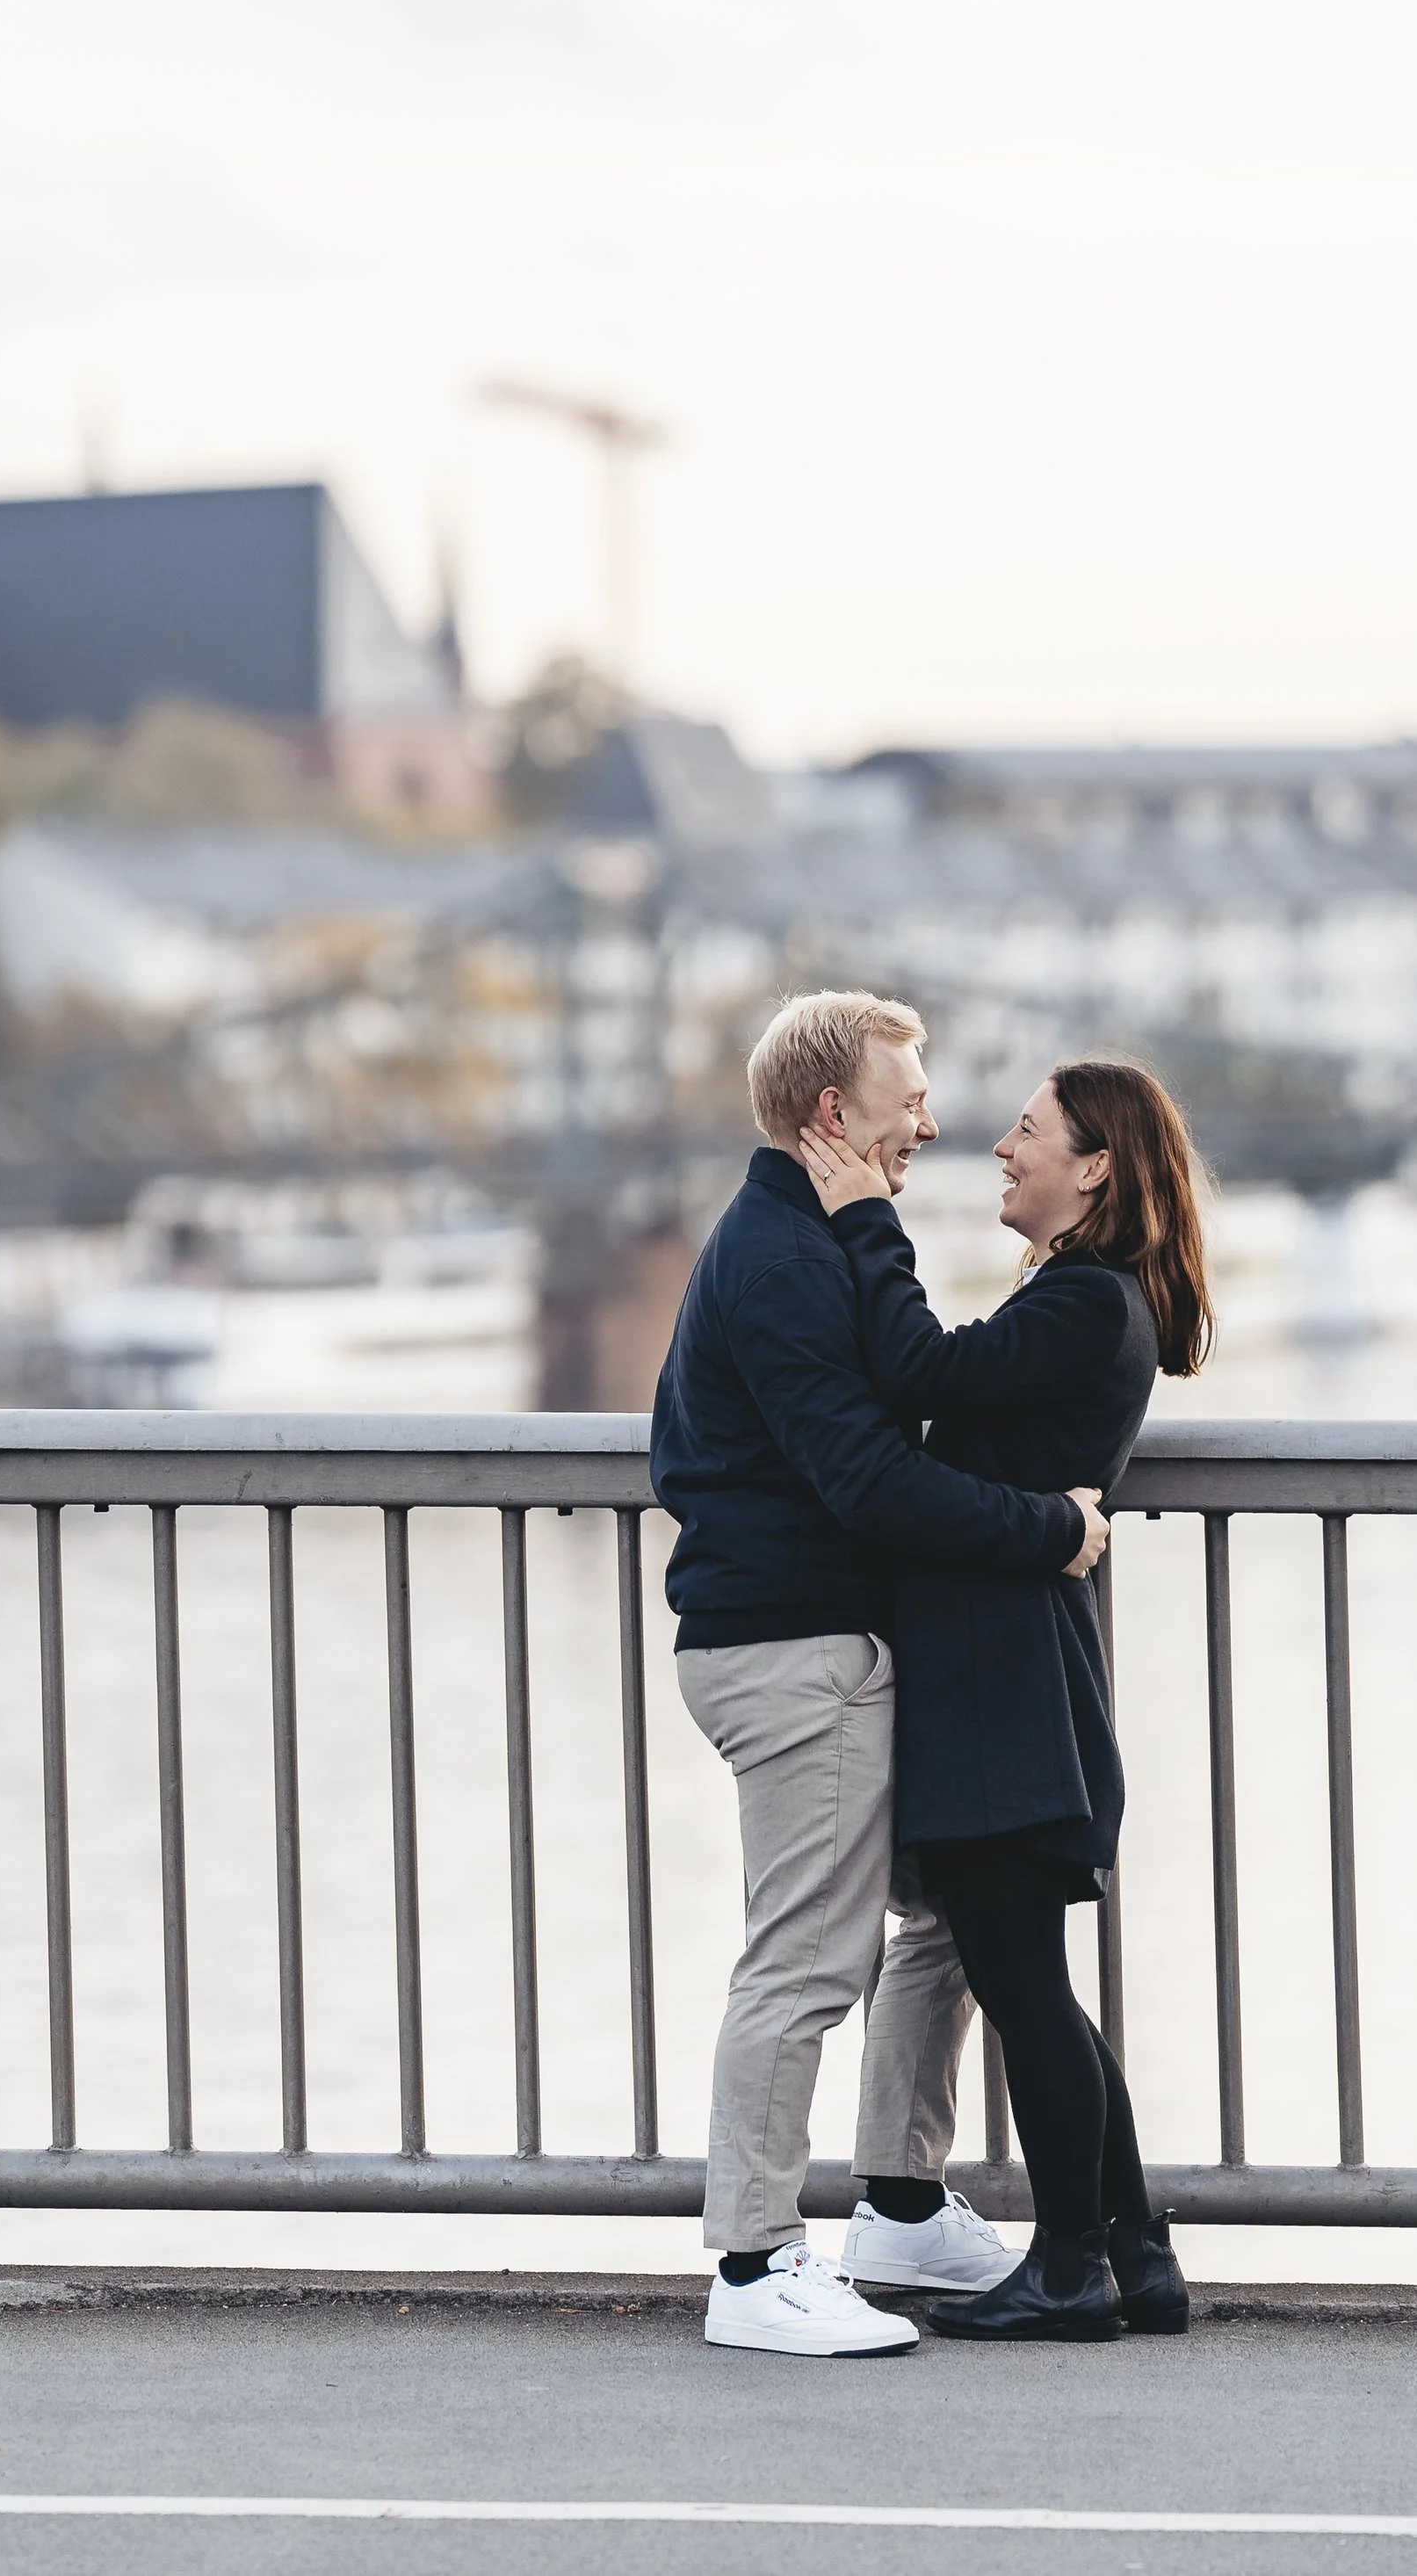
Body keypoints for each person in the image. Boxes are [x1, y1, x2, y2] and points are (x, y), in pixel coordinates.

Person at [654, 992, 1110, 2358]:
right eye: (906, 1095)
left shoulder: (810, 1240)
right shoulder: (784, 1260)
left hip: (827, 1640)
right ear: (830, 1115)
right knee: (805, 1957)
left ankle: (903, 2203)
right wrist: (1054, 1527)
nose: (932, 1119)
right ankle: (753, 2263)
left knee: (942, 1919)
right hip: (791, 1649)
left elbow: (907, 1394)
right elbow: (865, 1471)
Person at [798, 1055, 1212, 2343]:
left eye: (1028, 1131)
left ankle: (1070, 2267)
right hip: (1019, 1666)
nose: (1000, 1146)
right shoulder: (1085, 1296)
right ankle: (1134, 2254)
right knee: (1034, 1982)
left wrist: (864, 1212)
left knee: (1023, 1982)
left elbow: (921, 1369)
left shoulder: (1086, 1300)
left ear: (1095, 1165)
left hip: (1000, 1678)